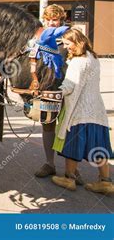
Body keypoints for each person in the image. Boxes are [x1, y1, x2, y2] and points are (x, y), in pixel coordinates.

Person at [51, 28, 113, 195]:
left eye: (68, 43)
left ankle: (69, 178)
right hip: (97, 110)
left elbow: (70, 86)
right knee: (98, 146)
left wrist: (54, 94)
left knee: (72, 143)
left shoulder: (77, 62)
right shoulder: (94, 58)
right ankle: (106, 182)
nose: (66, 47)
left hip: (79, 111)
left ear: (78, 42)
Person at [34, 4, 68, 178]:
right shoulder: (39, 40)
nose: (51, 23)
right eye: (48, 19)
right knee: (48, 126)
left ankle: (72, 169)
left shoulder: (70, 38)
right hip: (48, 90)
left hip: (69, 90)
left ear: (61, 19)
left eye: (55, 19)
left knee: (70, 127)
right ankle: (50, 163)